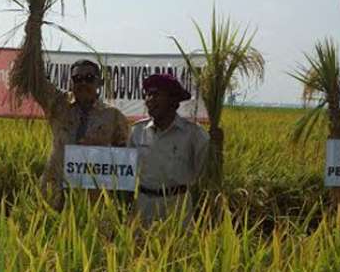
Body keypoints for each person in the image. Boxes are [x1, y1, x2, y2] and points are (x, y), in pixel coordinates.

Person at [29, 56, 129, 209]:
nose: (83, 83)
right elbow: (35, 82)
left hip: (93, 198)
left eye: (89, 78)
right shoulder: (58, 106)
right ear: (71, 82)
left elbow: (126, 159)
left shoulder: (113, 116)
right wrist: (32, 36)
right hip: (54, 190)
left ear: (99, 82)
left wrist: (104, 148)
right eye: (77, 79)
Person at [128, 73, 210, 226]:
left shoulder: (194, 134)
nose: (150, 100)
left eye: (156, 94)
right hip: (143, 205)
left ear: (174, 101)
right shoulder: (137, 131)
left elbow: (206, 175)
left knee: (176, 248)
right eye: (148, 95)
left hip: (177, 206)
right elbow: (127, 172)